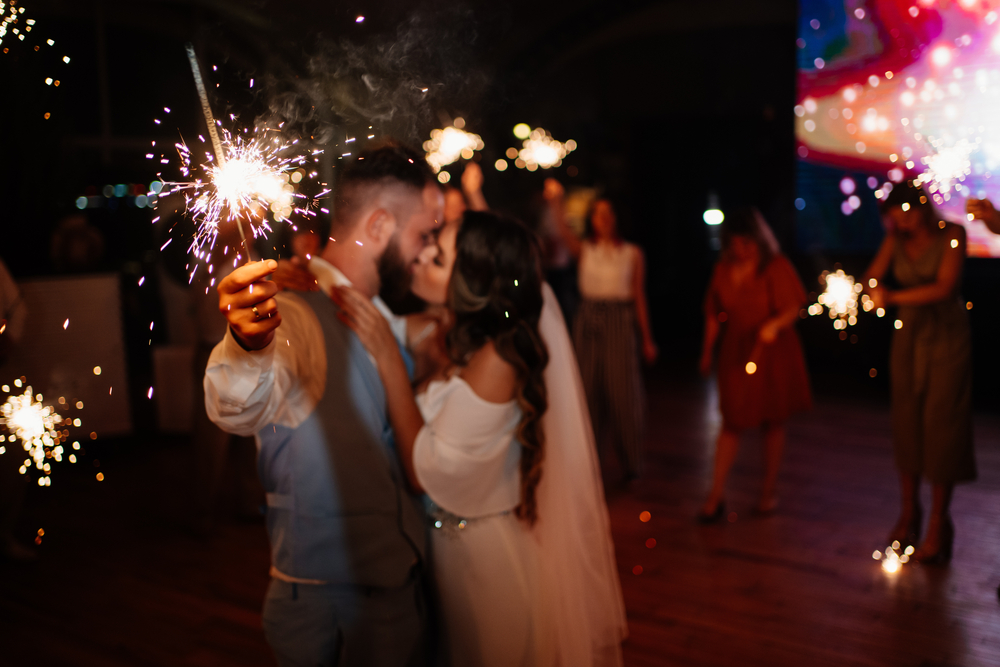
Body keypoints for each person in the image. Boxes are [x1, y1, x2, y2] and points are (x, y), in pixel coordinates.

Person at [336, 209, 628, 666]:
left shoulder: (498, 360)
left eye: (439, 257)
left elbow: (421, 471)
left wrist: (391, 363)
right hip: (449, 559)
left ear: (472, 283)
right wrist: (315, 280)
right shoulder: (449, 330)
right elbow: (378, 322)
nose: (423, 256)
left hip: (486, 569)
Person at [203, 143, 443, 667]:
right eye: (423, 235)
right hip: (334, 606)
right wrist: (247, 346)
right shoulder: (295, 312)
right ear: (379, 227)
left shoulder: (375, 311)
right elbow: (238, 407)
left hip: (396, 589)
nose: (428, 252)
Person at [865, 182, 974, 563]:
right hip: (908, 340)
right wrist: (873, 289)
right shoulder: (895, 240)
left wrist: (892, 297)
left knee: (942, 427)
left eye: (907, 211)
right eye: (895, 214)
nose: (903, 219)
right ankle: (910, 512)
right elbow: (871, 277)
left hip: (945, 338)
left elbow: (944, 287)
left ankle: (938, 523)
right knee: (908, 423)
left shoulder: (953, 234)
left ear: (923, 207)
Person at [698, 206, 811, 522]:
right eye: (735, 244)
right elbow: (712, 313)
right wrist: (706, 352)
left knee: (772, 421)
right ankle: (715, 495)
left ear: (759, 241)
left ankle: (768, 493)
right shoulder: (722, 269)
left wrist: (774, 324)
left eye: (747, 244)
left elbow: (795, 305)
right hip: (737, 350)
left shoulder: (775, 266)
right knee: (731, 420)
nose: (741, 251)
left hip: (771, 352)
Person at [545, 179, 657, 481]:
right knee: (588, 391)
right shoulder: (585, 250)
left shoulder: (631, 253)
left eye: (608, 213)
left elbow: (639, 296)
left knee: (623, 393)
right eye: (598, 213)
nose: (603, 219)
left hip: (619, 320)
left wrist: (646, 338)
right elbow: (562, 230)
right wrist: (556, 200)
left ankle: (631, 462)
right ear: (591, 219)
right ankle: (588, 463)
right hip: (589, 320)